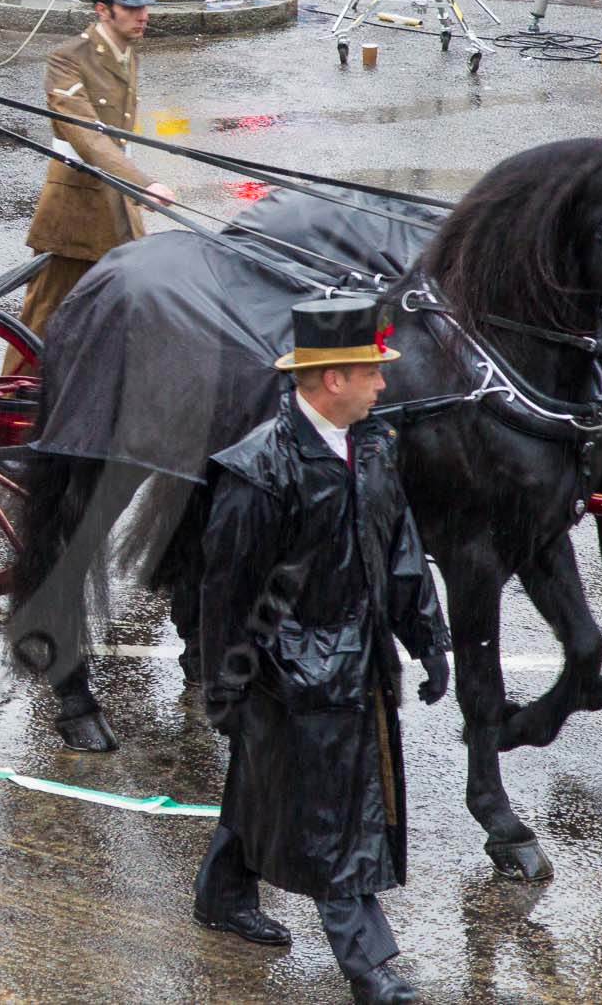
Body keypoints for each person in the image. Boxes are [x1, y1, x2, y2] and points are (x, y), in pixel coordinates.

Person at [194, 296, 452, 1005]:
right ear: (332, 378)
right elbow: (229, 594)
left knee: (263, 773)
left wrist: (427, 637)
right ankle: (369, 966)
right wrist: (245, 684)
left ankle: (221, 892)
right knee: (335, 821)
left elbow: (398, 546)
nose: (384, 385)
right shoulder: (259, 471)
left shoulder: (370, 446)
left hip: (357, 662)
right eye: (372, 372)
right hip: (294, 675)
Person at [17, 0, 174, 343]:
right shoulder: (68, 59)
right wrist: (143, 183)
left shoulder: (127, 53)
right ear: (102, 9)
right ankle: (11, 396)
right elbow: (89, 136)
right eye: (132, 7)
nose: (143, 16)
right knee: (43, 321)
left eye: (145, 6)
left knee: (124, 315)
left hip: (117, 207)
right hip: (73, 215)